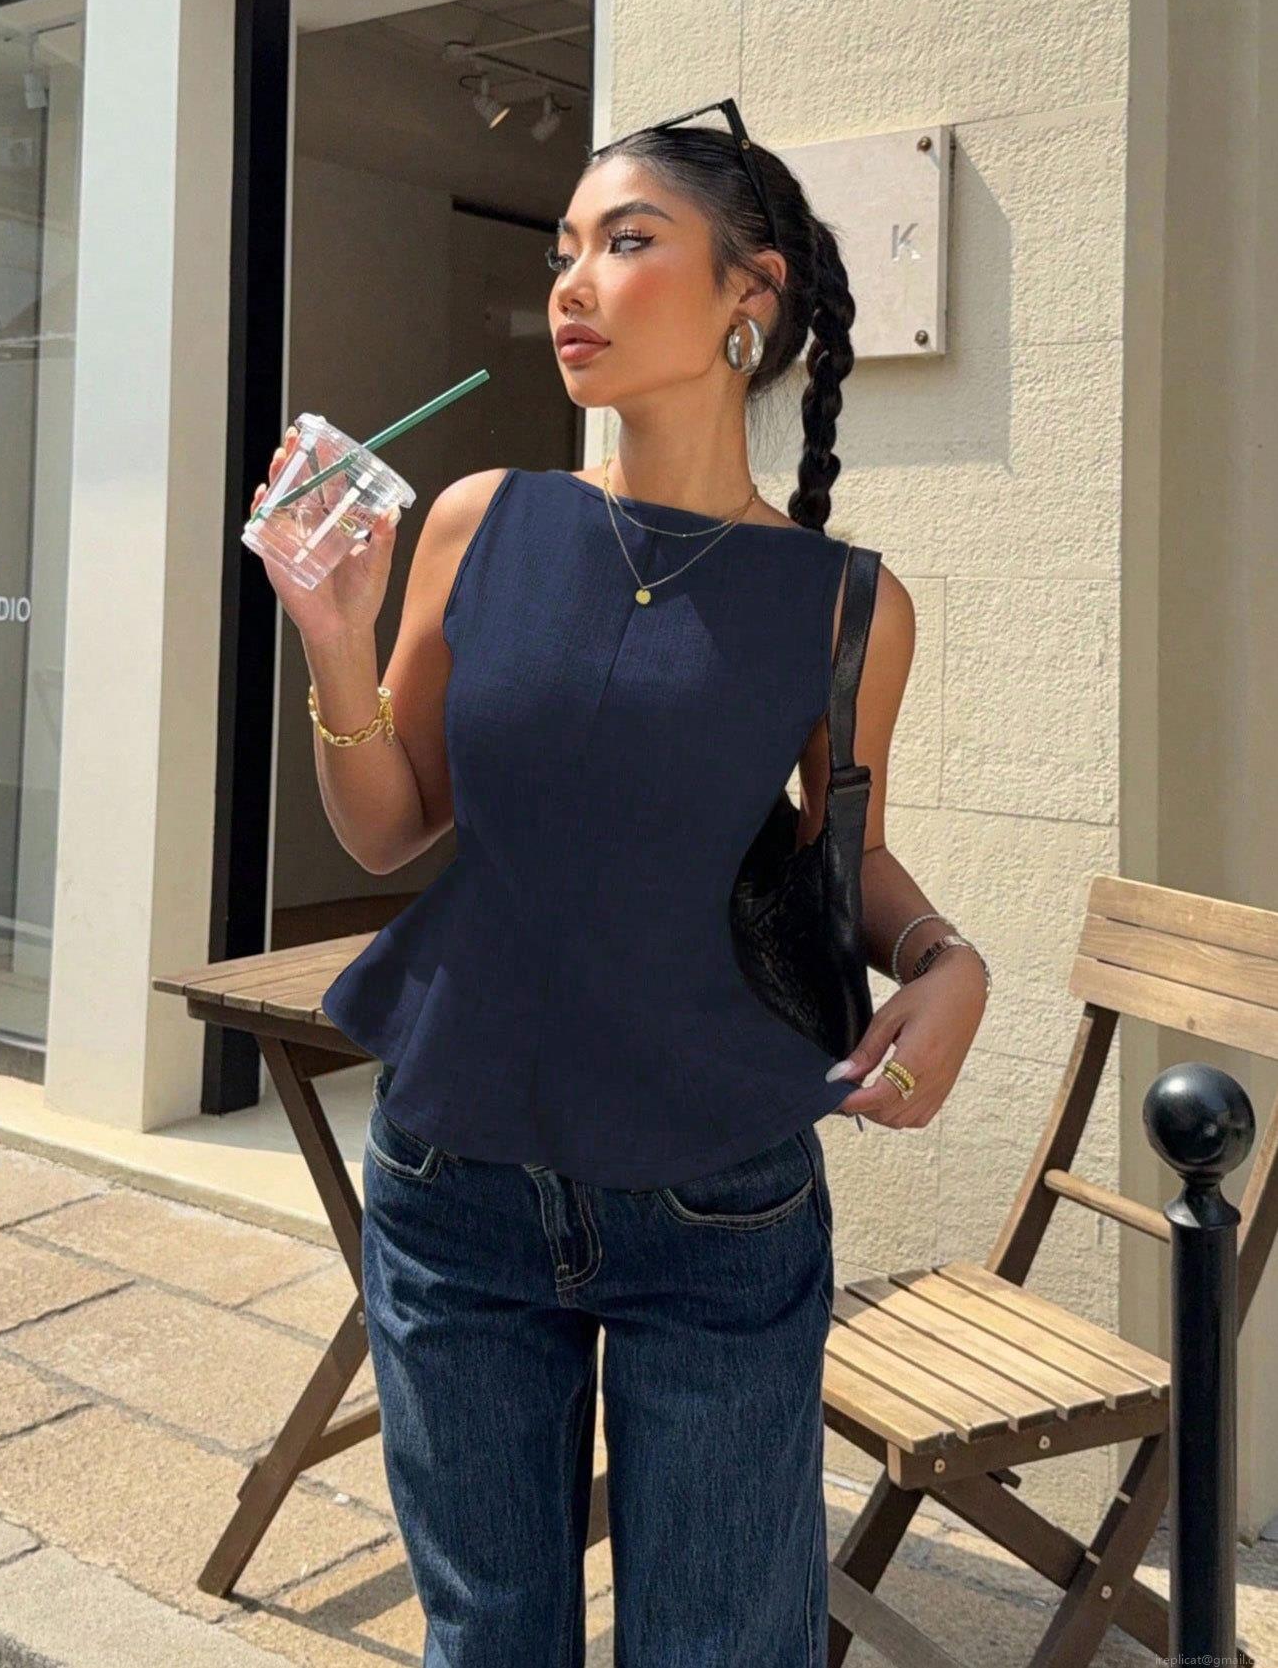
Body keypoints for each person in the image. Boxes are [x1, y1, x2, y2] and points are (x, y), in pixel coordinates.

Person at [248, 103, 989, 1667]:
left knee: (719, 1645)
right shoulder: (480, 520)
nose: (573, 282)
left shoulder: (847, 604)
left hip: (718, 1197)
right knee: (487, 1640)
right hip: (455, 1174)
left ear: (748, 295)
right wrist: (334, 637)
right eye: (564, 249)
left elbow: (838, 856)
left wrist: (947, 960)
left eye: (627, 241)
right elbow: (388, 828)